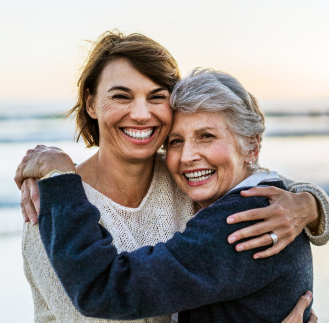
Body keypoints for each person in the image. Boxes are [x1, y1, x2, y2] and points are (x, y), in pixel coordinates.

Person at [15, 31, 328, 322]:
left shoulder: (228, 200)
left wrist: (310, 204)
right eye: (122, 96)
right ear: (91, 103)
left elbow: (269, 185)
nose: (140, 113)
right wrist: (60, 178)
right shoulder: (52, 208)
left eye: (156, 96)